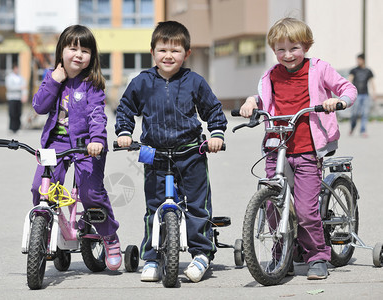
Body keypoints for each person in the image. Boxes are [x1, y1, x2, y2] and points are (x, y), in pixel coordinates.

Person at [239, 17, 357, 280]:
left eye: (294, 48)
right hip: (276, 146)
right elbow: (262, 98)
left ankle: (317, 255)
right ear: (273, 50)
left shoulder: (318, 68)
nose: (287, 55)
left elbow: (347, 88)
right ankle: (284, 252)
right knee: (272, 204)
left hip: (306, 148)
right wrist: (250, 101)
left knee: (305, 210)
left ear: (306, 45)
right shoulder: (270, 75)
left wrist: (339, 100)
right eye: (280, 49)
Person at [115, 21, 227, 283]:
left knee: (197, 207)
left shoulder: (194, 82)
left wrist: (217, 135)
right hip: (152, 152)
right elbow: (125, 109)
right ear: (152, 51)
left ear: (186, 54)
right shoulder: (142, 82)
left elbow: (213, 110)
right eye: (162, 49)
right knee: (153, 206)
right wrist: (124, 132)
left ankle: (202, 254)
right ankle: (153, 257)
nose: (168, 56)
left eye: (175, 51)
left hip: (190, 151)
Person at [31, 25, 122, 271]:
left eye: (85, 50)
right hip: (55, 144)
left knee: (91, 193)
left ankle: (109, 236)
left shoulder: (92, 83)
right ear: (62, 51)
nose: (78, 54)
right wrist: (54, 81)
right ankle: (45, 233)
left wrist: (97, 140)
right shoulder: (52, 77)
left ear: (92, 56)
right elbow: (39, 106)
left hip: (86, 145)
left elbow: (97, 116)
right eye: (73, 48)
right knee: (41, 189)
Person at [349, 53, 376, 137]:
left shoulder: (368, 71)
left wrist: (374, 93)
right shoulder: (354, 70)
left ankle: (363, 130)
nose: (358, 61)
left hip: (365, 95)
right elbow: (349, 81)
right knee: (354, 114)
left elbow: (372, 82)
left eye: (359, 60)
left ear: (363, 60)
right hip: (356, 95)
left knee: (365, 113)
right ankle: (353, 127)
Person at [5, 64, 27, 133]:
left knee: (18, 113)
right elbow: (9, 87)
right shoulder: (9, 77)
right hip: (12, 97)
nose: (17, 70)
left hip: (19, 98)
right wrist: (19, 88)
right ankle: (11, 128)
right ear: (13, 69)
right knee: (12, 113)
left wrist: (24, 95)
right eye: (16, 68)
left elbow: (24, 87)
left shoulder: (21, 77)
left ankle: (18, 128)